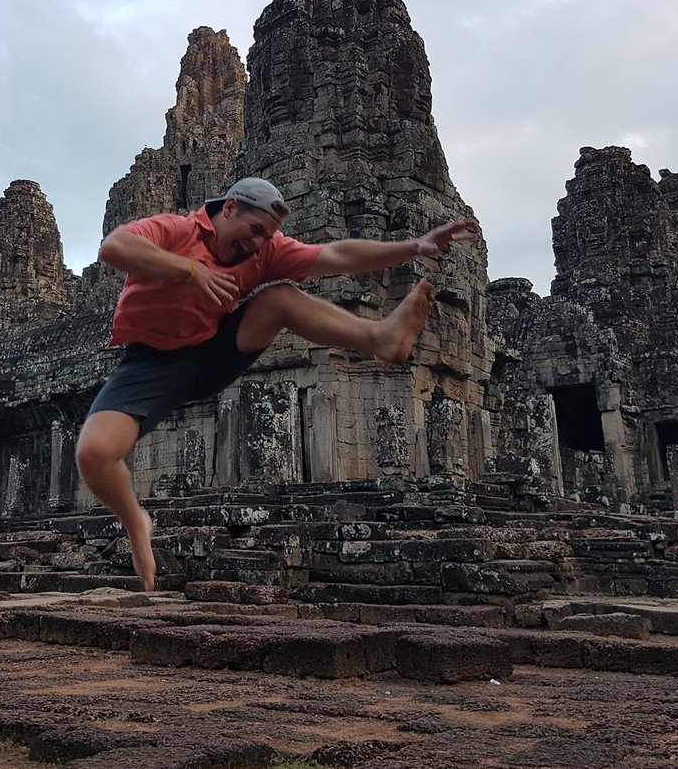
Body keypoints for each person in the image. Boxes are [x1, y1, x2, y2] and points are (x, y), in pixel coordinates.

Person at [76, 178, 478, 590]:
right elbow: (115, 249)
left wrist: (416, 245)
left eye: (267, 236)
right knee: (95, 454)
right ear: (230, 208)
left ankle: (380, 337)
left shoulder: (265, 249)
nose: (258, 244)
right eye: (255, 231)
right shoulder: (177, 230)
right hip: (151, 364)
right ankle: (135, 521)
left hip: (215, 353)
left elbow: (336, 255)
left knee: (279, 299)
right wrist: (191, 270)